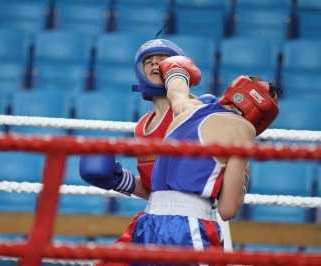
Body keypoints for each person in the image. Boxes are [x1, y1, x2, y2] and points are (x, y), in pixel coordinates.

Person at [129, 56, 281, 262]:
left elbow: (176, 90)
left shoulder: (188, 109)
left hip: (148, 222)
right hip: (189, 226)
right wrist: (243, 179)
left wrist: (176, 68)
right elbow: (228, 209)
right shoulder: (242, 128)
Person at [79, 39, 212, 266]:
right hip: (151, 218)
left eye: (162, 60)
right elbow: (158, 191)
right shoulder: (142, 126)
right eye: (149, 62)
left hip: (186, 223)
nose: (155, 64)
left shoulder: (196, 111)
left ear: (179, 66)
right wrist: (120, 181)